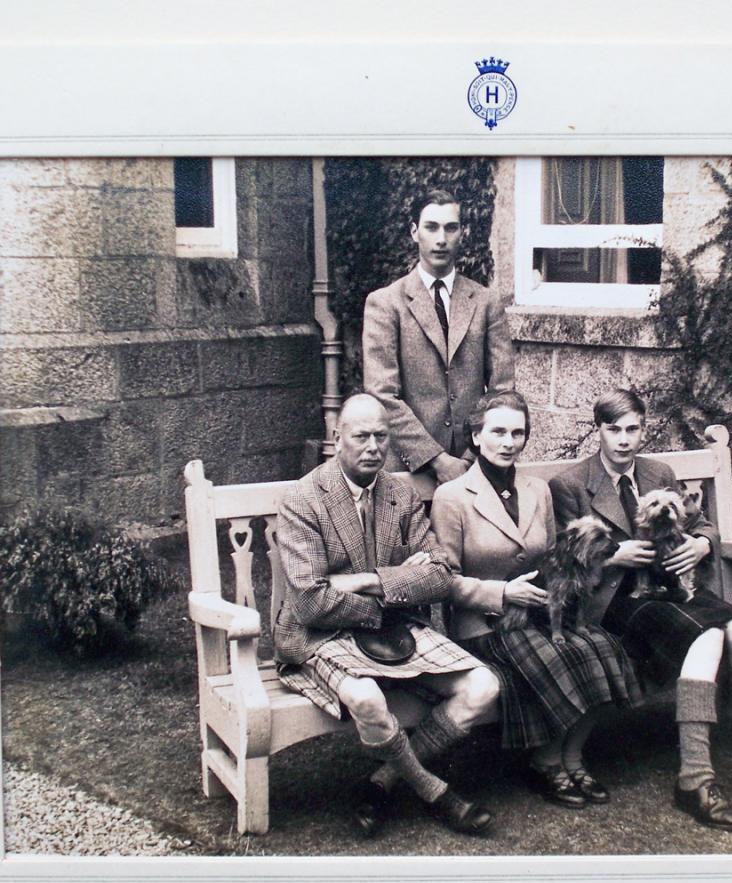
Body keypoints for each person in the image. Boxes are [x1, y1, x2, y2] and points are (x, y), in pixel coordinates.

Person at [548, 389, 732, 831]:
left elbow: (700, 523)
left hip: (672, 588)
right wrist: (613, 558)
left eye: (633, 429)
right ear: (599, 430)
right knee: (709, 635)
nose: (624, 440)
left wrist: (701, 544)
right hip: (616, 600)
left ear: (644, 429)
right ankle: (695, 778)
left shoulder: (658, 472)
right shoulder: (571, 484)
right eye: (614, 430)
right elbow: (562, 557)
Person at [273, 394, 502, 838]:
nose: (373, 447)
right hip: (323, 635)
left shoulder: (401, 495)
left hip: (397, 630)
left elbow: (439, 575)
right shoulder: (302, 500)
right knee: (366, 698)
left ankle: (383, 782)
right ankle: (434, 790)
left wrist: (365, 581)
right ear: (336, 438)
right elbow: (310, 603)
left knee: (484, 686)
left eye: (382, 436)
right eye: (361, 437)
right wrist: (398, 587)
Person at [431, 392, 642, 809]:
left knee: (601, 648)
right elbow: (443, 582)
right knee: (555, 657)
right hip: (486, 623)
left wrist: (565, 602)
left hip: (544, 613)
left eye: (517, 433)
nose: (508, 442)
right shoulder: (453, 497)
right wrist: (503, 592)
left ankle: (569, 755)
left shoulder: (537, 491)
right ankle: (548, 763)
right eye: (498, 432)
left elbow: (555, 560)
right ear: (476, 436)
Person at [363, 188, 515, 484]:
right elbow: (382, 393)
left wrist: (473, 456)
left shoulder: (486, 302)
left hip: (475, 468)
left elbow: (501, 389)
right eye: (431, 227)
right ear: (414, 232)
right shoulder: (385, 303)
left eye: (450, 228)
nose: (441, 239)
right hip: (408, 471)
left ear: (463, 233)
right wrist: (436, 459)